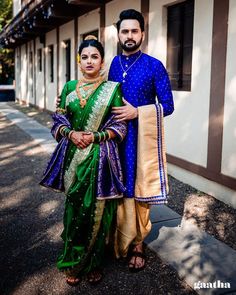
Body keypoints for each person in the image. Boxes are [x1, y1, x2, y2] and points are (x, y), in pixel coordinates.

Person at [40, 36, 127, 286]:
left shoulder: (112, 89)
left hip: (99, 160)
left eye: (95, 57)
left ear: (102, 61)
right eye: (85, 57)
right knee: (75, 211)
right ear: (79, 61)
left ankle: (92, 263)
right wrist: (71, 134)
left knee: (96, 213)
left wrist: (95, 136)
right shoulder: (68, 88)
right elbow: (58, 121)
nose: (89, 61)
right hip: (73, 159)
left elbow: (120, 126)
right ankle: (72, 260)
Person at [108, 9, 174, 272]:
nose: (130, 35)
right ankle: (117, 238)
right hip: (115, 139)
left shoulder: (154, 65)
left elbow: (167, 105)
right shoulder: (112, 64)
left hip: (141, 140)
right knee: (117, 187)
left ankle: (137, 244)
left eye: (134, 30)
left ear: (143, 34)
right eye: (125, 31)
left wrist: (138, 112)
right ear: (119, 34)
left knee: (139, 192)